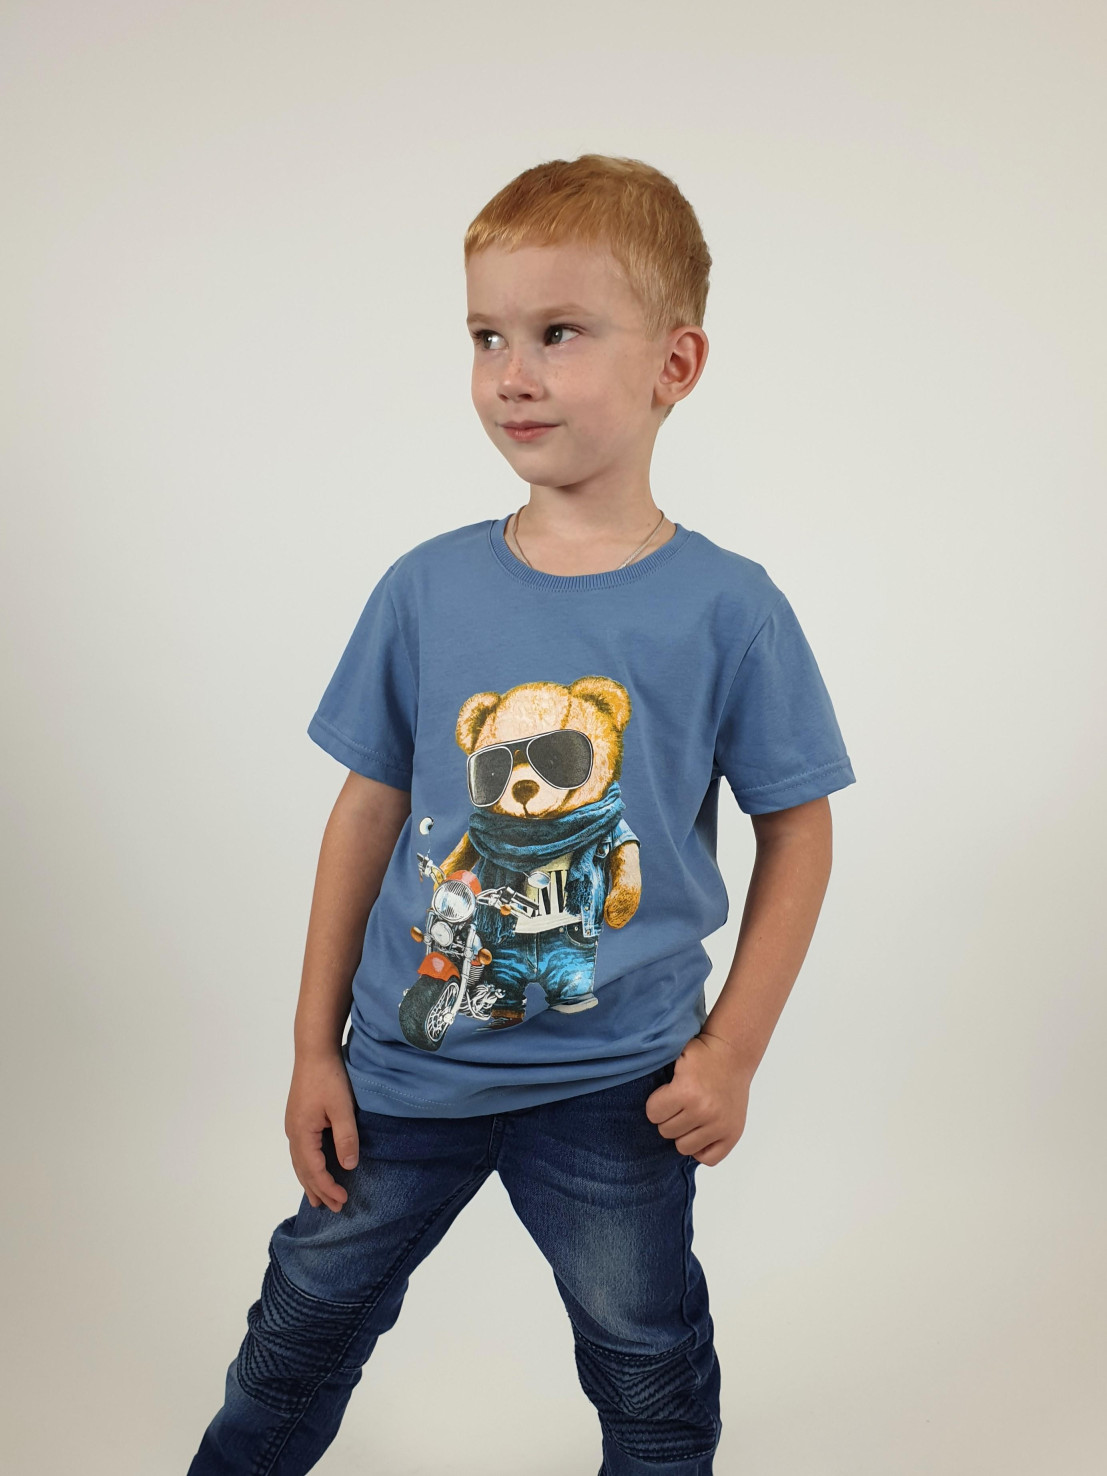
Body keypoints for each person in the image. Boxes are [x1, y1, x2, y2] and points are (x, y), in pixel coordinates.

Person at [187, 153, 856, 1476]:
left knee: (648, 1368)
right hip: (406, 1068)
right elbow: (365, 815)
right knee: (295, 1338)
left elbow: (801, 828)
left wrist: (732, 1052)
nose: (512, 373)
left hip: (621, 1086)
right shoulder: (427, 589)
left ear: (676, 365)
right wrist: (313, 1047)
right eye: (487, 336)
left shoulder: (731, 609)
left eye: (559, 332)